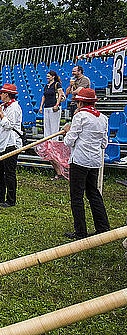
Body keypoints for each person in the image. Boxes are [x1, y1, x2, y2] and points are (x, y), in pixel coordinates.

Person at [61, 88, 110, 240]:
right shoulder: (103, 118)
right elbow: (104, 144)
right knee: (93, 193)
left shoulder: (80, 116)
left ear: (81, 102)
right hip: (95, 161)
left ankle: (80, 231)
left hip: (80, 161)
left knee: (77, 196)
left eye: (77, 102)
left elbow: (69, 141)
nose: (76, 105)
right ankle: (103, 227)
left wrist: (67, 132)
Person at [0, 83, 23, 207]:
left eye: (1, 93)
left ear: (6, 95)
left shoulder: (14, 107)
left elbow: (9, 125)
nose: (0, 95)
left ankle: (11, 200)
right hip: (1, 143)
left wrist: (0, 111)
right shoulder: (5, 107)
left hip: (11, 143)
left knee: (9, 174)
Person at [39, 71, 65, 140]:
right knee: (47, 126)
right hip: (46, 107)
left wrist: (57, 104)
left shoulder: (57, 84)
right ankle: (46, 141)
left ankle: (54, 142)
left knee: (54, 126)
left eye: (49, 76)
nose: (47, 77)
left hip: (54, 107)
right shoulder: (46, 86)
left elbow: (60, 95)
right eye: (47, 76)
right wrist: (41, 106)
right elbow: (44, 96)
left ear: (53, 76)